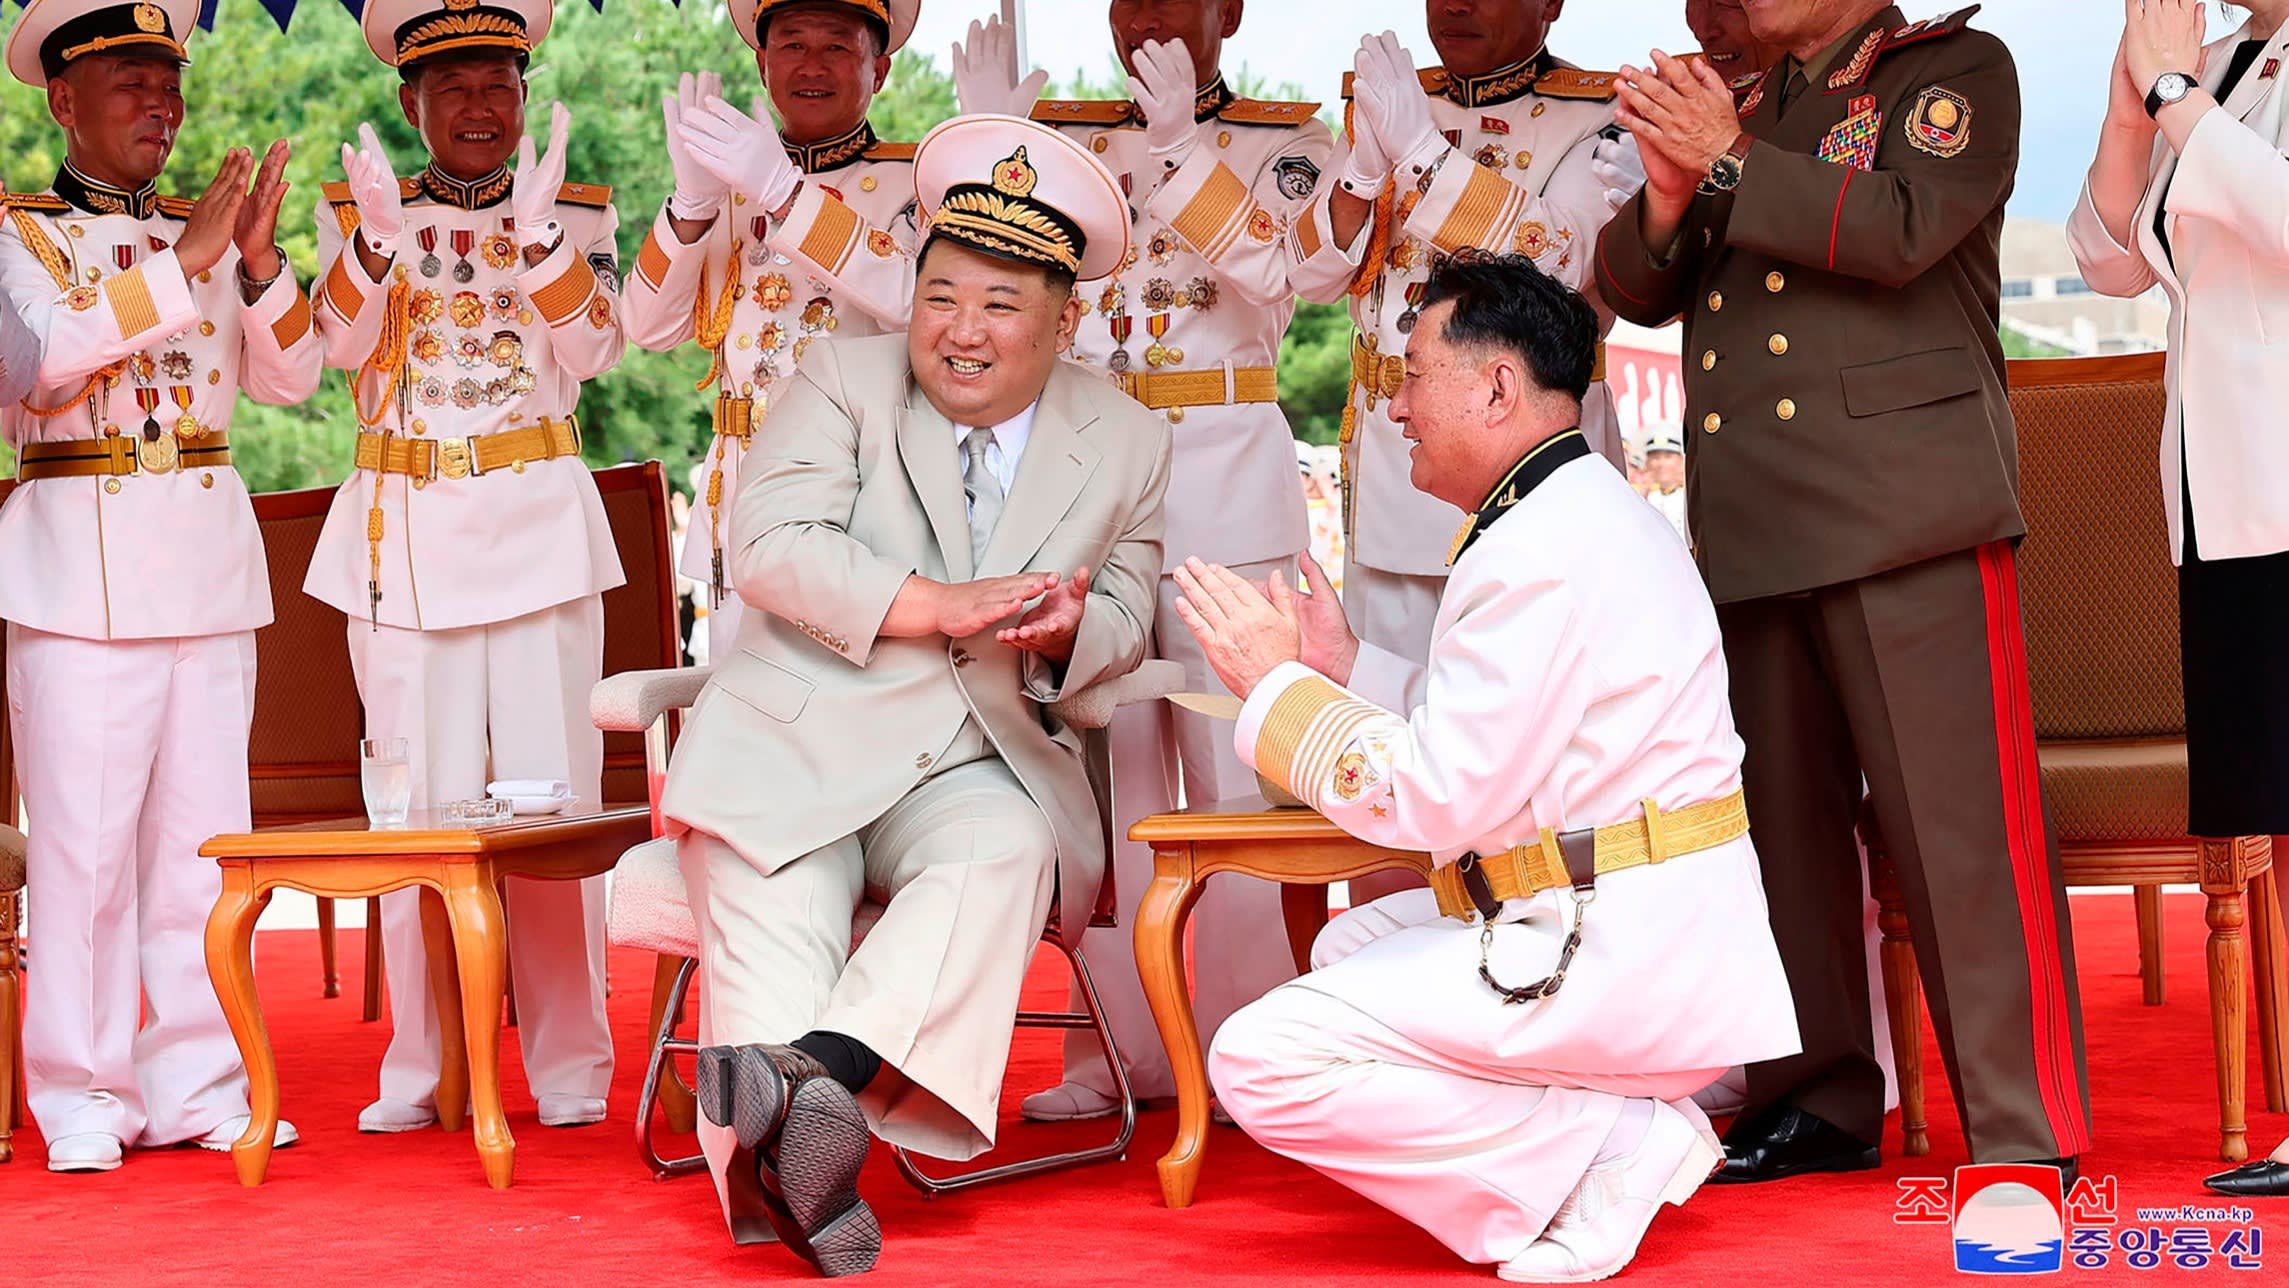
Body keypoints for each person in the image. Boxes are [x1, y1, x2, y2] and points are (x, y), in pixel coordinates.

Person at [1180, 253, 1798, 1283]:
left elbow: (1441, 796)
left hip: (1617, 949)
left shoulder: (1538, 545)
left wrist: (1276, 689)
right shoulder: (1563, 515)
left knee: (1258, 1058)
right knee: (1351, 946)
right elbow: (1500, 732)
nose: (1394, 405)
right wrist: (1341, 668)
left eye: (1413, 374)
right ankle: (1602, 1125)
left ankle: (1605, 1152)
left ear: (1499, 386)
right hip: (1640, 919)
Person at [661, 114, 1167, 1275]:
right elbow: (772, 544)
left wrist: (1071, 627)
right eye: (941, 297)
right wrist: (937, 603)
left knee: (1001, 851)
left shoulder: (1130, 436)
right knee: (776, 937)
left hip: (976, 759)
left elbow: (1130, 611)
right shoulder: (842, 375)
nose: (962, 332)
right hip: (792, 749)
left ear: (1063, 319)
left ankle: (815, 1078)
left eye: (1000, 306)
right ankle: (799, 1152)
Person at [1597, 2, 2091, 1181]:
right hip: (1760, 524)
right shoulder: (1751, 107)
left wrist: (1725, 157)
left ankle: (2025, 1126)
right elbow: (1631, 286)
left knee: (1960, 837)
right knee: (1783, 846)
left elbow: (1901, 228)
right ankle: (1814, 1098)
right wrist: (1672, 189)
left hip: (1902, 513)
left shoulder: (1952, 68)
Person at [951, 0, 1337, 1124]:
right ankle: (1116, 1048)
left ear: (1230, 13)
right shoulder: (1058, 147)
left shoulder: (1287, 141)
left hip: (1224, 468)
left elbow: (1290, 279)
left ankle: (1254, 1046)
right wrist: (992, 163)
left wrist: (1179, 155)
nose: (1149, 17)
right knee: (1103, 770)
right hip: (1092, 474)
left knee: (1241, 768)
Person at [0, 0, 320, 1172]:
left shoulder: (209, 231)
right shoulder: (17, 236)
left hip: (202, 567)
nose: (158, 102)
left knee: (201, 853)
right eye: (128, 80)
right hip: (77, 574)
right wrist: (177, 272)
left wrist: (258, 262)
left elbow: (289, 384)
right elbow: (27, 374)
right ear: (62, 100)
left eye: (166, 79)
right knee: (82, 857)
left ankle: (201, 1081)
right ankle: (81, 1090)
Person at [303, 0, 626, 1136]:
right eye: (452, 87)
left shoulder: (574, 210)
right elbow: (321, 352)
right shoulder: (364, 214)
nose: (478, 105)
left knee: (554, 813)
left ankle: (573, 1066)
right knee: (413, 818)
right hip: (404, 541)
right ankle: (422, 1064)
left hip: (537, 530)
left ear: (525, 93)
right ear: (412, 104)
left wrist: (539, 245)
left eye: (497, 81)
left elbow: (597, 346)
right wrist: (376, 244)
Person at [1287, 3, 1641, 908]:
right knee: (1381, 738)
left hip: (1530, 464)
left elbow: (1559, 270)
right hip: (1400, 461)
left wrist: (1421, 160)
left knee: (1540, 751)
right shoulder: (1388, 99)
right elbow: (1311, 273)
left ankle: (1550, 960)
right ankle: (1391, 957)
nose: (1459, 6)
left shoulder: (1598, 115)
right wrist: (1365, 165)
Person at [2065, 0, 2289, 1200]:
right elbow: (2108, 261)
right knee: (2276, 805)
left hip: (2283, 484)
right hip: (2224, 494)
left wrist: (2174, 102)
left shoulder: (2200, 89)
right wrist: (2126, 95)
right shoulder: (2219, 66)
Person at [625, 0, 925, 665]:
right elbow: (647, 326)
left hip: (857, 486)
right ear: (762, 64)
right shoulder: (724, 191)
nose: (811, 66)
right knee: (748, 716)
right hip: (743, 484)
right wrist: (691, 206)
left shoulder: (912, 183)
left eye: (837, 48)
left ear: (880, 67)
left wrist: (786, 195)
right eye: (791, 45)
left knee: (855, 716)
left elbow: (916, 302)